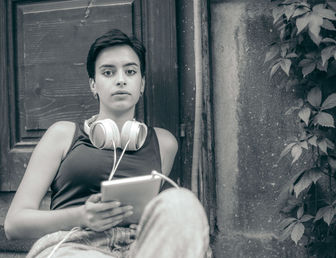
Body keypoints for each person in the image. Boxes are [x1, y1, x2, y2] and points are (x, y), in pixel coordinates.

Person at [4, 29, 210, 258]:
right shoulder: (62, 135)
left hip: (137, 248)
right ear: (93, 85)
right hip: (75, 245)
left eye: (130, 71)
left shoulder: (164, 143)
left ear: (141, 83)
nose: (121, 79)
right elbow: (14, 224)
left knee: (183, 201)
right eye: (108, 72)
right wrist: (82, 216)